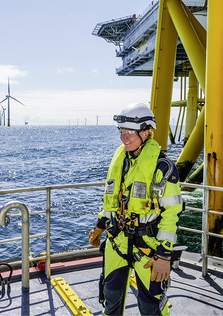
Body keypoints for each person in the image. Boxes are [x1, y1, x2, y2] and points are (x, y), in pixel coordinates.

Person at [88, 103, 183, 315]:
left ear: (147, 132)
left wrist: (164, 255)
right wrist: (101, 224)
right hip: (116, 242)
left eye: (130, 132)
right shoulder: (121, 162)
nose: (124, 138)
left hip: (147, 248)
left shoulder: (163, 168)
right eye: (122, 132)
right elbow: (113, 201)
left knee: (150, 305)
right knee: (110, 296)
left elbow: (171, 213)